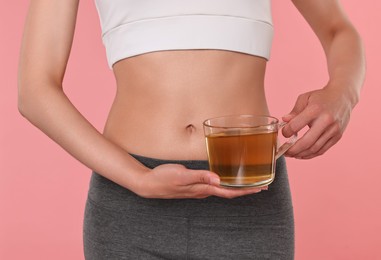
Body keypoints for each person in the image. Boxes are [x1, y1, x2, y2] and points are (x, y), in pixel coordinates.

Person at [18, 0, 365, 259]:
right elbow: (35, 90)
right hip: (128, 202)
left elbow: (339, 29)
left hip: (248, 196)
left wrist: (343, 94)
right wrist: (138, 178)